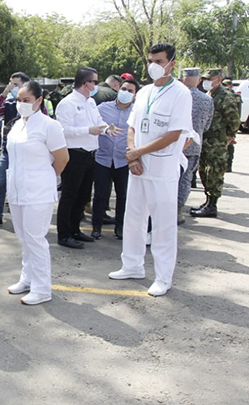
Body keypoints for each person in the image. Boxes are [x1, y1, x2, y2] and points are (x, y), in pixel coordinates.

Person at [108, 43, 193, 297]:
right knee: (133, 217)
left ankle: (163, 277)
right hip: (138, 166)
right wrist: (132, 155)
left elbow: (175, 134)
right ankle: (132, 265)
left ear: (172, 63)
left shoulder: (180, 93)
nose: (153, 65)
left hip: (162, 168)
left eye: (159, 60)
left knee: (163, 224)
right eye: (150, 60)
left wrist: (139, 153)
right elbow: (132, 126)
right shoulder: (144, 92)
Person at [5, 81, 69, 305]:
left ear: (39, 101)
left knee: (35, 238)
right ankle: (27, 278)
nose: (21, 105)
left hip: (38, 191)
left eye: (27, 101)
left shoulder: (49, 126)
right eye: (19, 101)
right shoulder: (17, 125)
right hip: (16, 189)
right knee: (24, 238)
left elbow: (62, 159)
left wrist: (45, 177)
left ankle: (42, 288)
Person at [55, 67, 121, 249]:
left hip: (91, 154)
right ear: (86, 83)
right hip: (75, 153)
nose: (96, 85)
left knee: (83, 195)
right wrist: (87, 130)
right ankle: (64, 233)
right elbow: (62, 130)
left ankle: (75, 229)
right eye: (94, 81)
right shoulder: (67, 103)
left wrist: (107, 129)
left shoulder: (90, 102)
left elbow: (98, 121)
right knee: (70, 195)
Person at [91, 78, 140, 240]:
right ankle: (96, 227)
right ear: (118, 89)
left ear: (135, 95)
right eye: (124, 89)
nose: (126, 93)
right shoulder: (102, 108)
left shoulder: (136, 113)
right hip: (102, 159)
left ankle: (120, 227)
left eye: (130, 91)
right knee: (100, 195)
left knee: (123, 195)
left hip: (124, 160)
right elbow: (93, 124)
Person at [190, 68, 241, 218]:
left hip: (217, 142)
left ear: (218, 79)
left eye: (209, 79)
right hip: (206, 139)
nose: (206, 82)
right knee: (204, 171)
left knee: (215, 172)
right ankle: (208, 202)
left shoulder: (225, 96)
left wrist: (229, 136)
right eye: (204, 79)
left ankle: (212, 205)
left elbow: (234, 120)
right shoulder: (210, 94)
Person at [0, 72, 30, 229]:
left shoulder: (35, 104)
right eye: (10, 84)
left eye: (15, 85)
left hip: (27, 151)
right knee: (1, 184)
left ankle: (24, 216)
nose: (12, 87)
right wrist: (4, 94)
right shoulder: (9, 103)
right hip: (8, 150)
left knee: (24, 184)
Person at [178, 68, 213, 224]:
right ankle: (177, 210)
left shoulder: (176, 96)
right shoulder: (206, 99)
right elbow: (207, 125)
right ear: (198, 80)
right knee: (186, 178)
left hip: (173, 144)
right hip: (193, 145)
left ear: (183, 79)